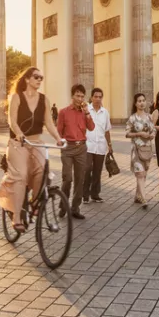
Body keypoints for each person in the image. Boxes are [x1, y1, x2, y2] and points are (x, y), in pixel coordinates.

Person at [0, 67, 62, 233]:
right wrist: (20, 134)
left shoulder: (44, 99)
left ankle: (35, 203)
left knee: (42, 170)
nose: (39, 80)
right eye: (36, 77)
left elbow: (49, 123)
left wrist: (58, 138)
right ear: (27, 79)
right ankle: (16, 218)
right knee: (21, 175)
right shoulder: (16, 97)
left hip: (36, 142)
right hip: (18, 143)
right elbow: (12, 121)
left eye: (41, 78)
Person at [57, 85, 95, 220]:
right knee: (67, 178)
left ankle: (75, 208)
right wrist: (60, 142)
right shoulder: (63, 112)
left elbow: (91, 127)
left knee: (80, 179)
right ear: (72, 96)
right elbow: (59, 131)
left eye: (82, 96)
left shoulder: (85, 112)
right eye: (77, 96)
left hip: (81, 148)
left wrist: (87, 113)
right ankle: (63, 205)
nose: (80, 99)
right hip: (68, 148)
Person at [126, 93, 156, 208]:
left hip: (147, 149)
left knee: (144, 174)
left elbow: (153, 129)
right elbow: (127, 133)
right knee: (140, 174)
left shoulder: (149, 117)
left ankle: (138, 196)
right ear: (135, 103)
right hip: (136, 150)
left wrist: (152, 134)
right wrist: (139, 133)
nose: (142, 103)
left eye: (143, 100)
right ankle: (144, 199)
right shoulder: (132, 118)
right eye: (139, 101)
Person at [83, 88, 112, 204]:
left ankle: (95, 194)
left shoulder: (105, 112)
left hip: (100, 145)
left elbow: (107, 130)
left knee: (97, 171)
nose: (98, 99)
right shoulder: (86, 110)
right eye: (96, 96)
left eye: (100, 97)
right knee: (87, 169)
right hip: (88, 145)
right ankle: (85, 195)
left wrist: (110, 144)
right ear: (91, 97)